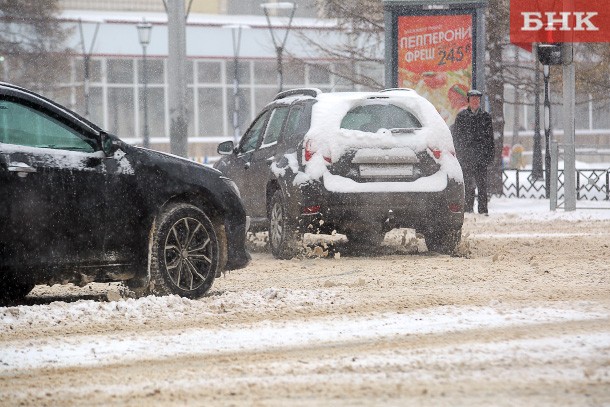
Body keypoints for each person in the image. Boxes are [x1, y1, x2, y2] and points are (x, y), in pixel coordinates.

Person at [452, 89, 495, 215]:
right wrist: (460, 154)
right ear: (468, 101)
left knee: (482, 186)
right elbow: (457, 137)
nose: (475, 102)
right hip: (467, 158)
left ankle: (483, 210)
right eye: (473, 99)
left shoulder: (485, 117)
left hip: (481, 158)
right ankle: (468, 209)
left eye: (477, 99)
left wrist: (489, 155)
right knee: (468, 186)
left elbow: (490, 139)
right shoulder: (461, 117)